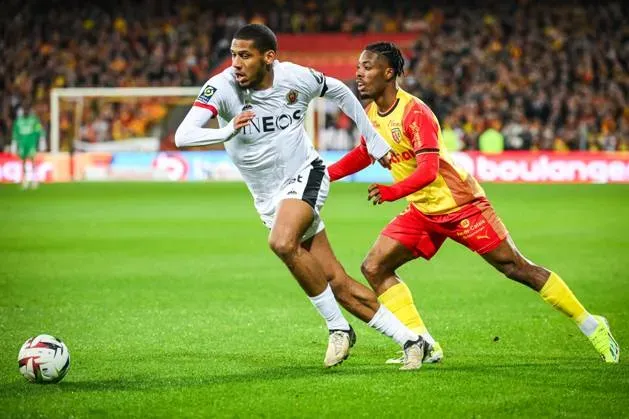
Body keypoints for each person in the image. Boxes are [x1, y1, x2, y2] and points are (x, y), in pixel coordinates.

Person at [328, 42, 619, 364]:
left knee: (516, 268)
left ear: (389, 73)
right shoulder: (372, 114)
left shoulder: (415, 114)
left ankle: (592, 324)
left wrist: (392, 191)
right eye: (358, 66)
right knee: (375, 266)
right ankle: (423, 344)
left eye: (367, 67)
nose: (359, 73)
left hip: (461, 205)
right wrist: (324, 175)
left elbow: (427, 171)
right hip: (423, 210)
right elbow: (366, 152)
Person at [175, 25, 427, 370]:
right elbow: (183, 135)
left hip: (305, 174)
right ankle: (412, 340)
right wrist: (228, 129)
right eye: (233, 54)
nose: (236, 63)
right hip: (268, 197)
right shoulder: (222, 87)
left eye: (245, 55)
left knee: (281, 242)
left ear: (269, 58)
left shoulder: (295, 77)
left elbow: (338, 89)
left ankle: (338, 328)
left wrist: (374, 141)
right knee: (337, 281)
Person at [12, 105, 43, 190]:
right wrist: (14, 143)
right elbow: (15, 132)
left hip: (31, 143)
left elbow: (39, 130)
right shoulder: (18, 121)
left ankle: (34, 179)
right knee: (23, 162)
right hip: (22, 144)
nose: (25, 112)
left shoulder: (34, 120)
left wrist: (41, 140)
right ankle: (25, 180)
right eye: (24, 110)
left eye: (27, 110)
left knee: (33, 161)